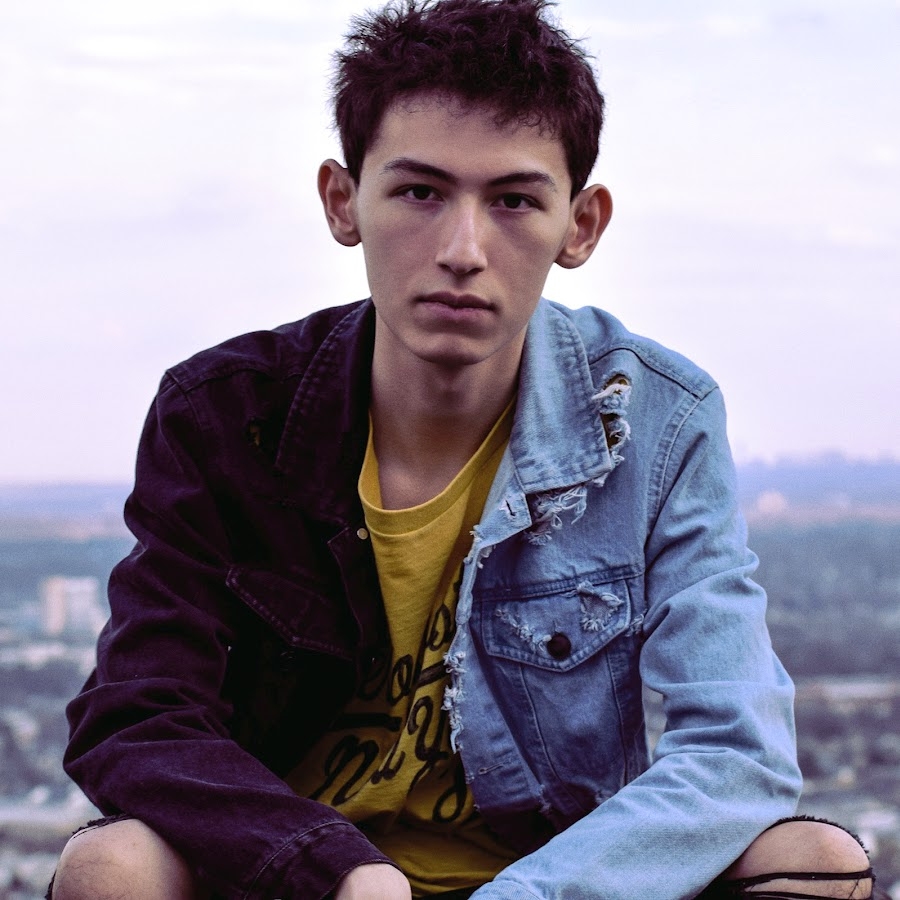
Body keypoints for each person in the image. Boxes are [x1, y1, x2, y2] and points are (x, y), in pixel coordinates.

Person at [51, 1, 883, 898]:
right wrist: (336, 869)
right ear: (343, 202)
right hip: (302, 880)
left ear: (581, 225)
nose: (463, 249)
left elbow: (736, 750)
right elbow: (140, 719)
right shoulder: (227, 412)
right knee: (109, 865)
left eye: (514, 200)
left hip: (556, 880)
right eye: (420, 192)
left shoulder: (657, 420)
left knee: (818, 862)